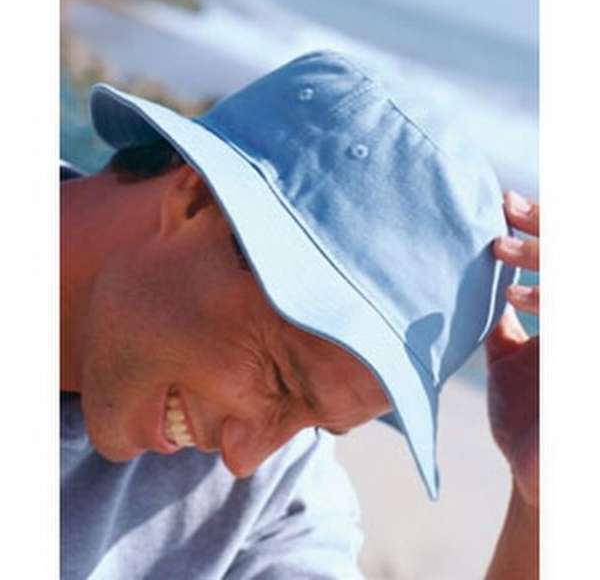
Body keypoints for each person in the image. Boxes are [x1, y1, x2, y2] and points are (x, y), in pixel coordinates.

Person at [61, 50, 538, 579]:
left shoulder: (267, 493)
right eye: (281, 382)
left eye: (313, 424)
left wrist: (541, 512)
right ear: (196, 198)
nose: (243, 458)